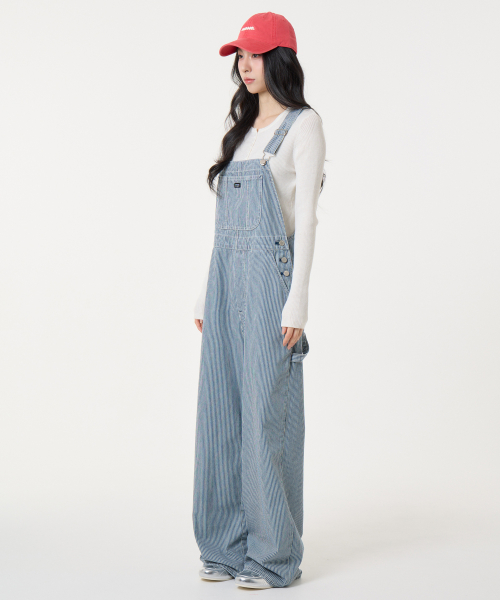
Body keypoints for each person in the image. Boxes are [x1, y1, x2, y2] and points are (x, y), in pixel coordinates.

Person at [192, 12, 326, 589]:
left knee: (266, 418)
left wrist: (298, 303)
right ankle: (224, 547)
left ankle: (273, 555)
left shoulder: (304, 125)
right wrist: (206, 292)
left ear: (281, 58)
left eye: (256, 55)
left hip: (273, 285)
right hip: (225, 282)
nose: (246, 66)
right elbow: (220, 228)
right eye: (241, 57)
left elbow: (308, 220)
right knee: (220, 415)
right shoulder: (240, 129)